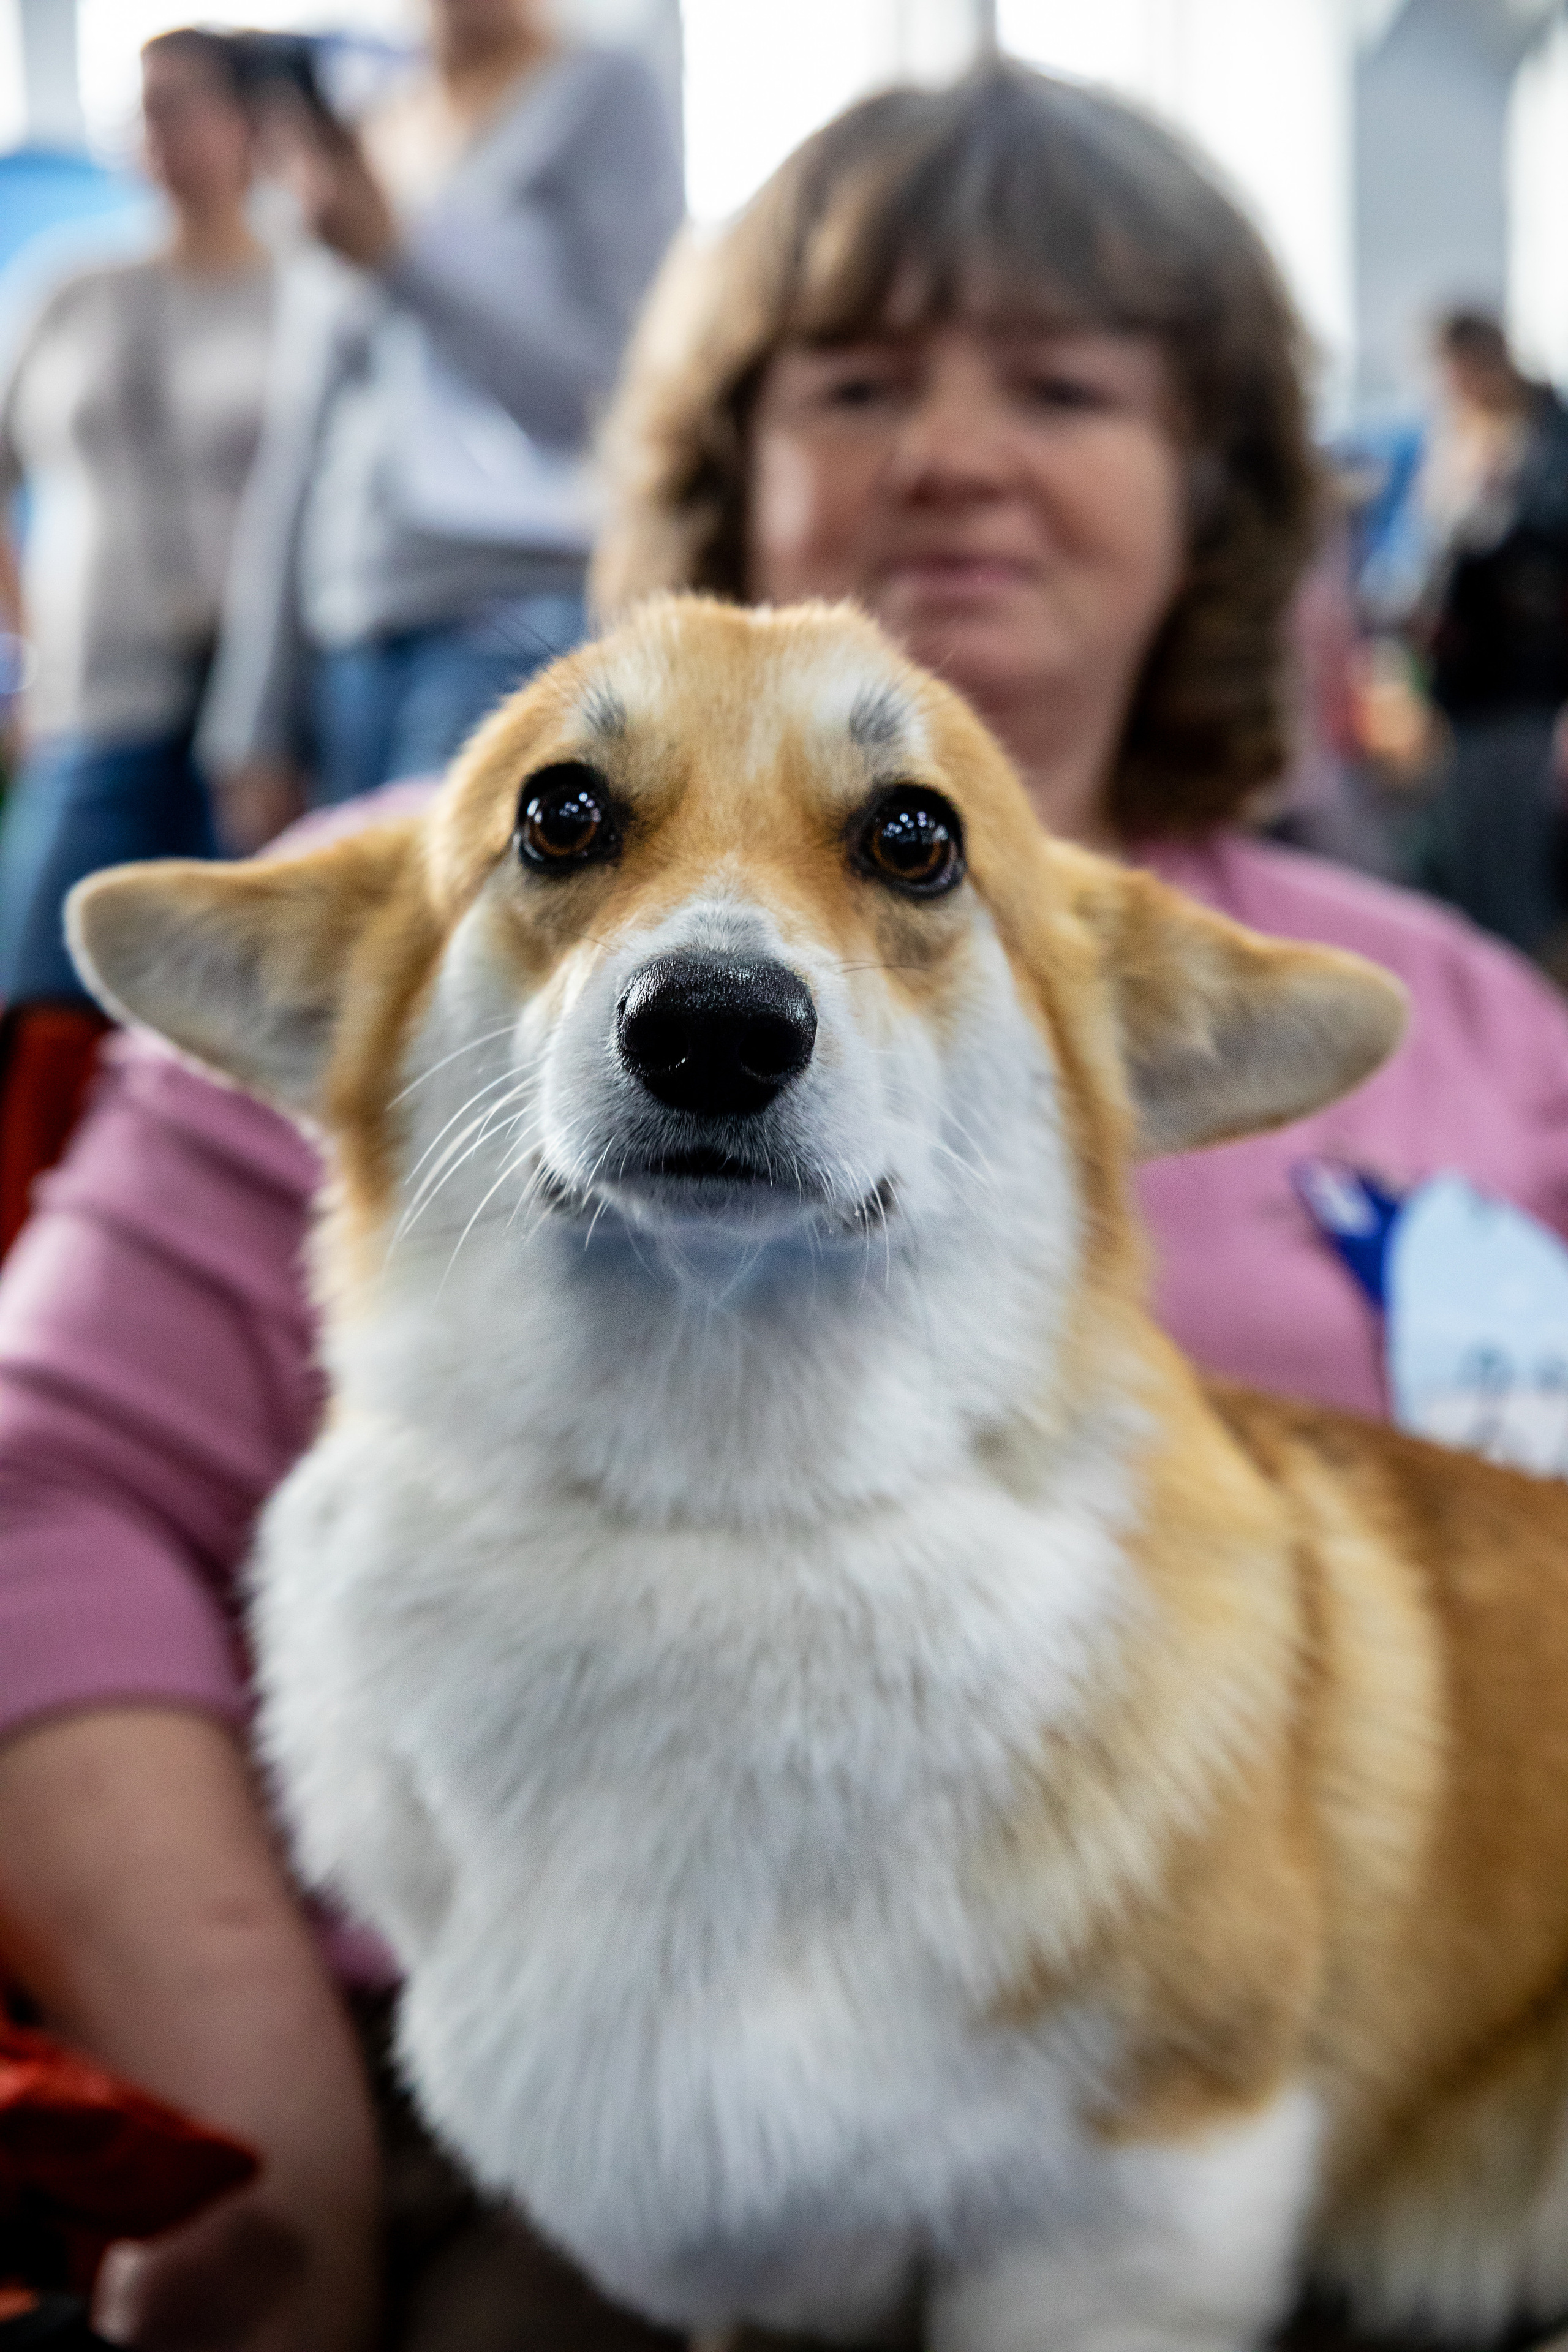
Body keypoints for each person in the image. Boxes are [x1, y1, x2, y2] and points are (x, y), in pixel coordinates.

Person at [5, 60, 1568, 2352]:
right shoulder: (404, 912)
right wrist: (259, 2136)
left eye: (1057, 382)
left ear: (1213, 481)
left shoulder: (1456, 1013)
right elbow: (43, 1480)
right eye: (856, 378)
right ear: (721, 450)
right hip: (531, 2182)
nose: (950, 448)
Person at [196, 0, 682, 855]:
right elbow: (304, 435)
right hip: (350, 631)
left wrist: (399, 252)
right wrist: (255, 715)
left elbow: (610, 395)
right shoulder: (370, 115)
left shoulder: (602, 94)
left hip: (508, 624)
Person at [0, 29, 274, 1008]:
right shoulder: (73, 287)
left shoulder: (303, 290)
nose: (156, 132)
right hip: (89, 692)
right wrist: (22, 652)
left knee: (222, 991)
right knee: (42, 981)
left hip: (247, 709)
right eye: (143, 108)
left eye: (181, 105)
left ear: (250, 122)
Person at [1409, 309, 1568, 956]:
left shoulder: (1544, 442)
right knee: (1476, 861)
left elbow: (1520, 551)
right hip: (1468, 687)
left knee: (1517, 869)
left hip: (1527, 685)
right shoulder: (1460, 440)